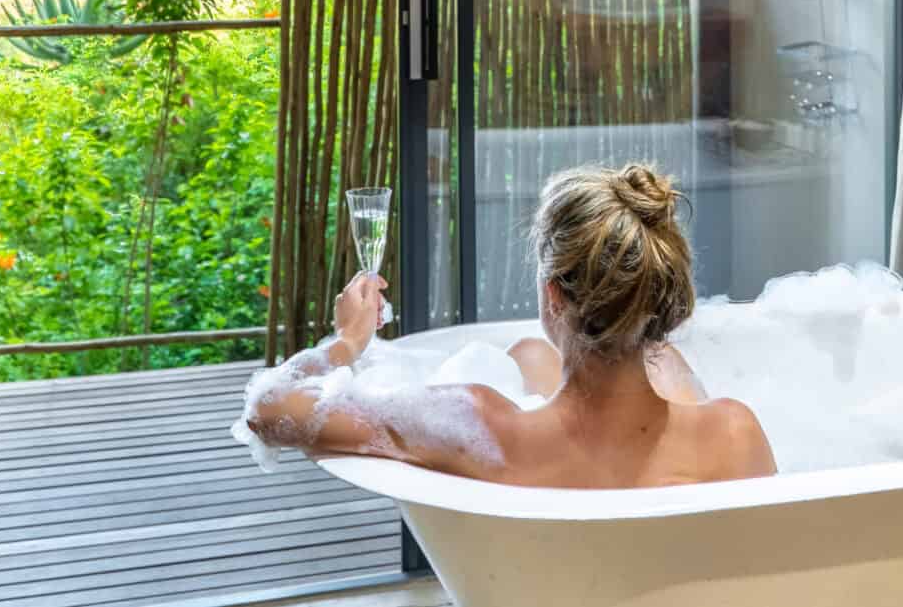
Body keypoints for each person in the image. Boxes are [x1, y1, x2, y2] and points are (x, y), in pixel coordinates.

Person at [241, 163, 776, 487]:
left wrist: (347, 341)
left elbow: (267, 409)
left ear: (553, 296)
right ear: (658, 300)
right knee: (545, 356)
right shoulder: (732, 433)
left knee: (531, 355)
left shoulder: (482, 429)